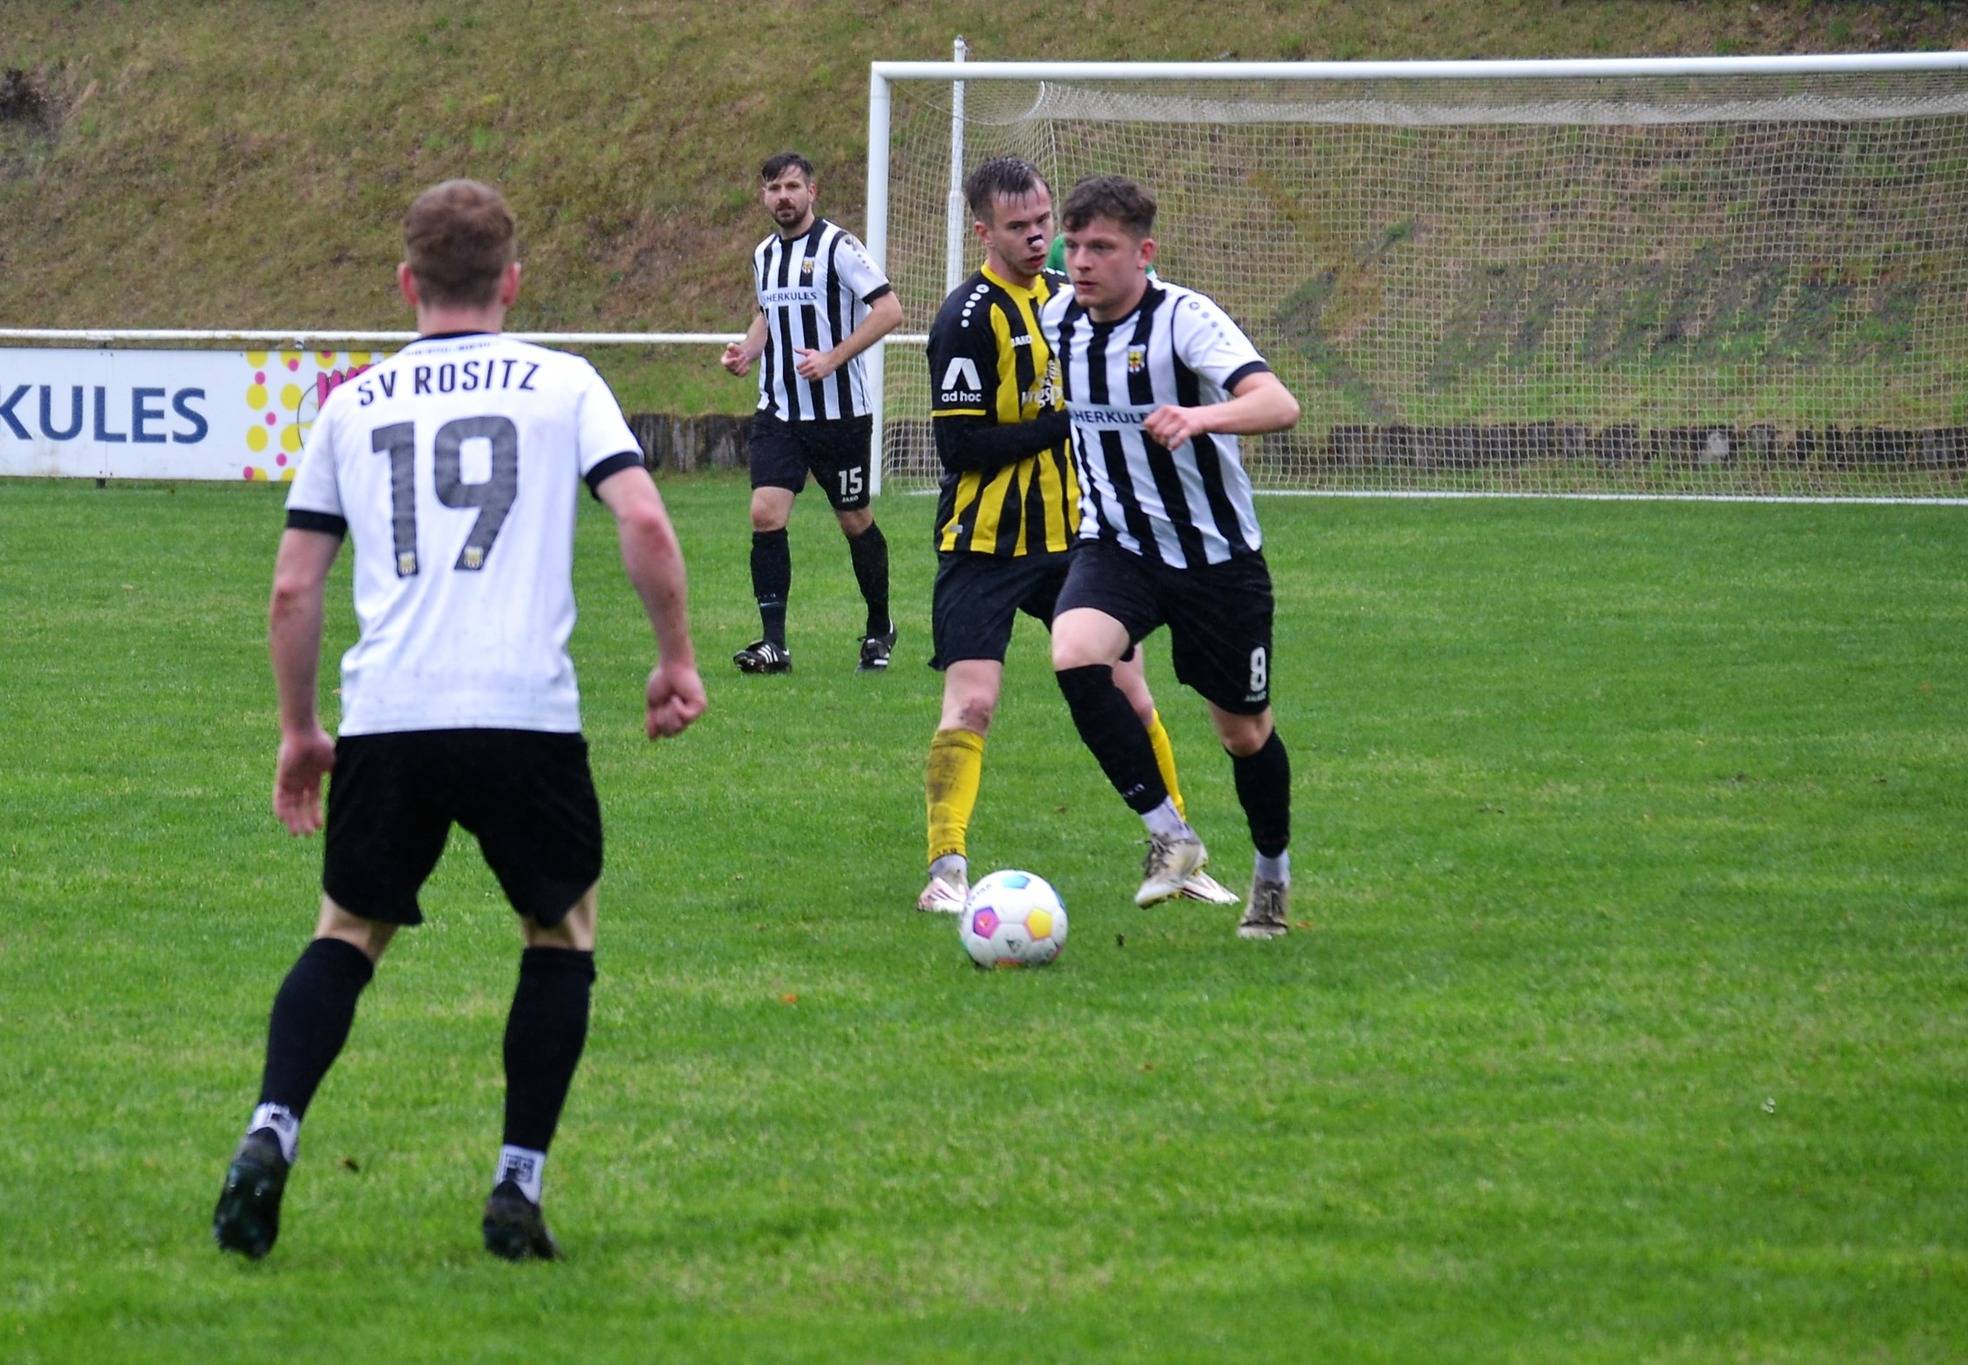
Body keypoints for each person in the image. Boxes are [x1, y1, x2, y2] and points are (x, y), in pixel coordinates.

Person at [211, 179, 707, 1263]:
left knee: (347, 932)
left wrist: (300, 731)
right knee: (559, 934)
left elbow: (294, 587)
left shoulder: (351, 405)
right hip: (524, 713)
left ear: (406, 284)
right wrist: (674, 658)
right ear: (512, 282)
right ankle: (516, 1185)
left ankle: (270, 1130)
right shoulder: (563, 383)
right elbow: (642, 518)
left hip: (391, 712)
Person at [918, 156, 1236, 914]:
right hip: (985, 542)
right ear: (983, 232)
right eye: (1018, 227)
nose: (1038, 239)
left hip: (1080, 537)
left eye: (1043, 222)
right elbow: (959, 447)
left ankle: (1178, 849)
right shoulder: (967, 319)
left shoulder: (1072, 298)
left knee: (1129, 688)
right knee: (973, 702)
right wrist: (1065, 422)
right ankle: (947, 871)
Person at [1040, 175, 1302, 939]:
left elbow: (1279, 404)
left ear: (1143, 252)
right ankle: (1170, 834)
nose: (1082, 261)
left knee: (1243, 733)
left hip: (1216, 558)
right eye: (1074, 246)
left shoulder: (1185, 318)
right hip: (1118, 544)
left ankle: (1272, 874)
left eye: (1102, 247)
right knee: (1074, 652)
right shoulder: (1060, 319)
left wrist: (1199, 416)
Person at [721, 151, 902, 674]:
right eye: (774, 188)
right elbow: (767, 313)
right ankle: (773, 644)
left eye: (793, 187)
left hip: (840, 415)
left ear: (811, 192)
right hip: (778, 411)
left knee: (854, 520)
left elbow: (889, 310)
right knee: (765, 513)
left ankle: (880, 626)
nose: (784, 197)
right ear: (764, 195)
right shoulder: (763, 255)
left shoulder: (839, 247)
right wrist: (747, 351)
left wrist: (833, 358)